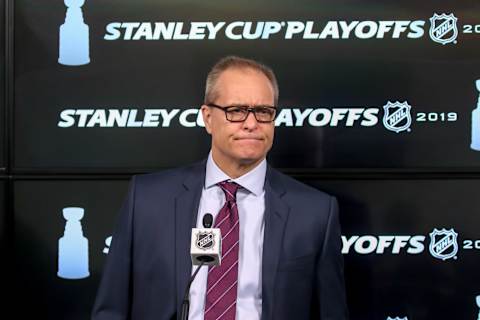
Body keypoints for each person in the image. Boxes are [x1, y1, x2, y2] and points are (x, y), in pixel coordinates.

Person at [91, 56, 348, 320]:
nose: (251, 124)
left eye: (264, 112)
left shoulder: (315, 213)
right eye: (236, 110)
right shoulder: (147, 200)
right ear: (208, 117)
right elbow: (112, 308)